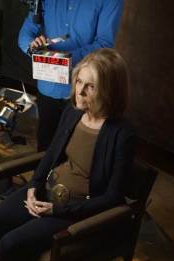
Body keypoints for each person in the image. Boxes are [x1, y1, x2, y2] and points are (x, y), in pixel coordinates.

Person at [0, 48, 135, 261]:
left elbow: (112, 198)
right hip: (48, 191)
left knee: (10, 244)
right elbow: (51, 155)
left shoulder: (122, 134)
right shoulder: (73, 113)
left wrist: (56, 211)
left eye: (91, 86)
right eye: (78, 82)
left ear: (109, 91)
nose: (80, 92)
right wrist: (32, 188)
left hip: (75, 208)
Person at [18, 0, 124, 151]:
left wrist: (64, 59)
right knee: (45, 150)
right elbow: (25, 33)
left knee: (77, 154)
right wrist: (32, 47)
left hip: (84, 92)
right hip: (49, 87)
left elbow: (104, 44)